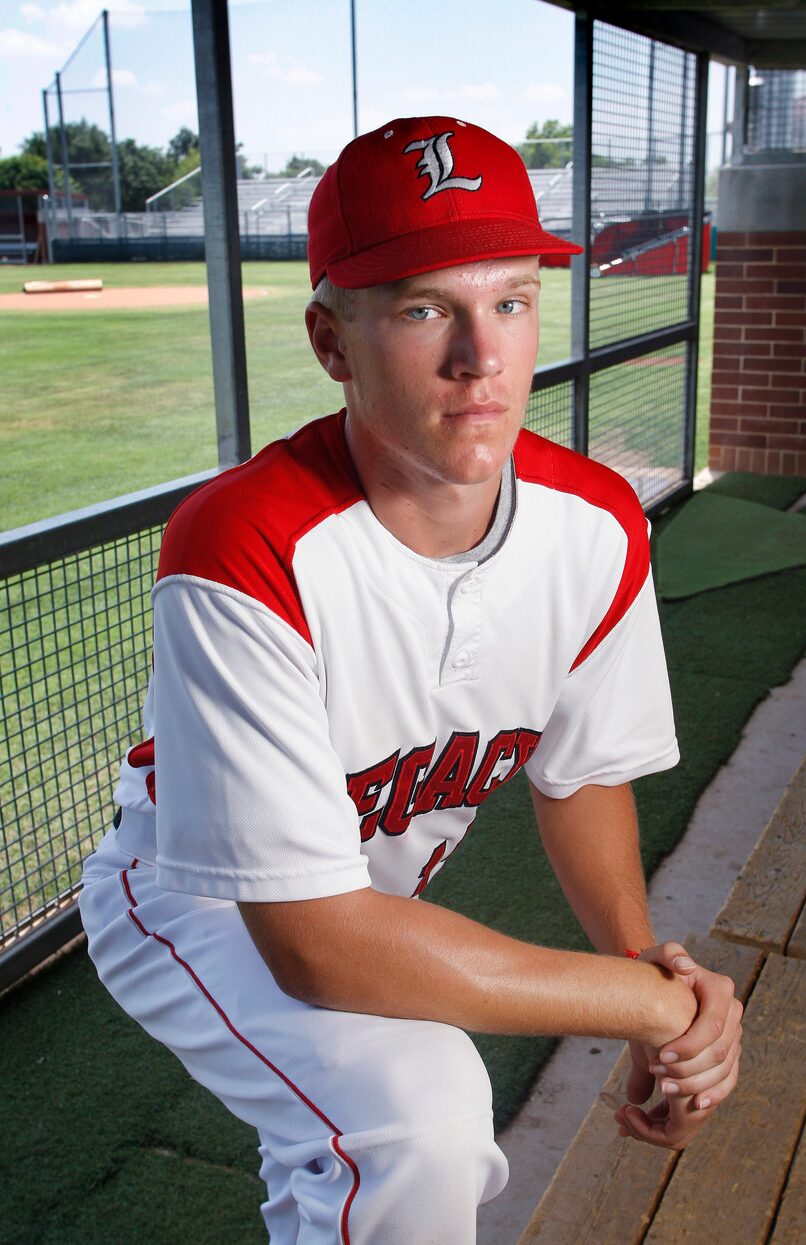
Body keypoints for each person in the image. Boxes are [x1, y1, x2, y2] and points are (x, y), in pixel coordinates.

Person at [79, 116, 742, 1243]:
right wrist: (643, 1000)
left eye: (512, 300)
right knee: (414, 1117)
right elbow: (317, 942)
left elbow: (576, 776)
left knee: (388, 1123)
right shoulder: (245, 542)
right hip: (193, 890)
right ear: (333, 343)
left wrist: (641, 975)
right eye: (425, 308)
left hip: (364, 888)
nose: (481, 357)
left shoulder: (595, 524)